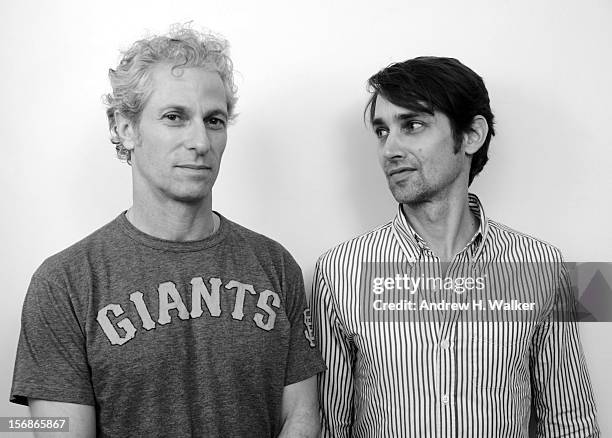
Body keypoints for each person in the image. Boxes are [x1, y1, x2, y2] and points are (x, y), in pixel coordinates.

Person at [10, 24, 325, 438]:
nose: (200, 141)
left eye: (214, 121)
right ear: (124, 127)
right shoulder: (64, 283)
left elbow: (300, 417)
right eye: (175, 117)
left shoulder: (273, 265)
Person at [312, 56, 599, 437]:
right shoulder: (339, 271)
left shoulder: (541, 265)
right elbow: (334, 426)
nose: (389, 150)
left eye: (412, 125)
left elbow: (570, 421)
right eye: (381, 132)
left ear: (471, 135)